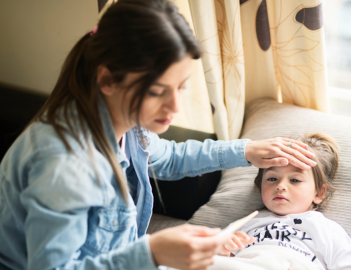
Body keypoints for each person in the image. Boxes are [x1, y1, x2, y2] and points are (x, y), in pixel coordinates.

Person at [0, 1, 317, 269]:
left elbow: (171, 158)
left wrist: (247, 151)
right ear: (108, 79)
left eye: (181, 88)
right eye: (157, 91)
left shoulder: (125, 123)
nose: (175, 106)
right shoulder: (64, 164)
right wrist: (150, 253)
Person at [220, 133, 351, 270]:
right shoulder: (245, 224)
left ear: (319, 193)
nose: (280, 185)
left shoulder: (329, 231)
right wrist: (225, 250)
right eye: (272, 179)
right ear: (260, 185)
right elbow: (218, 260)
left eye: (295, 180)